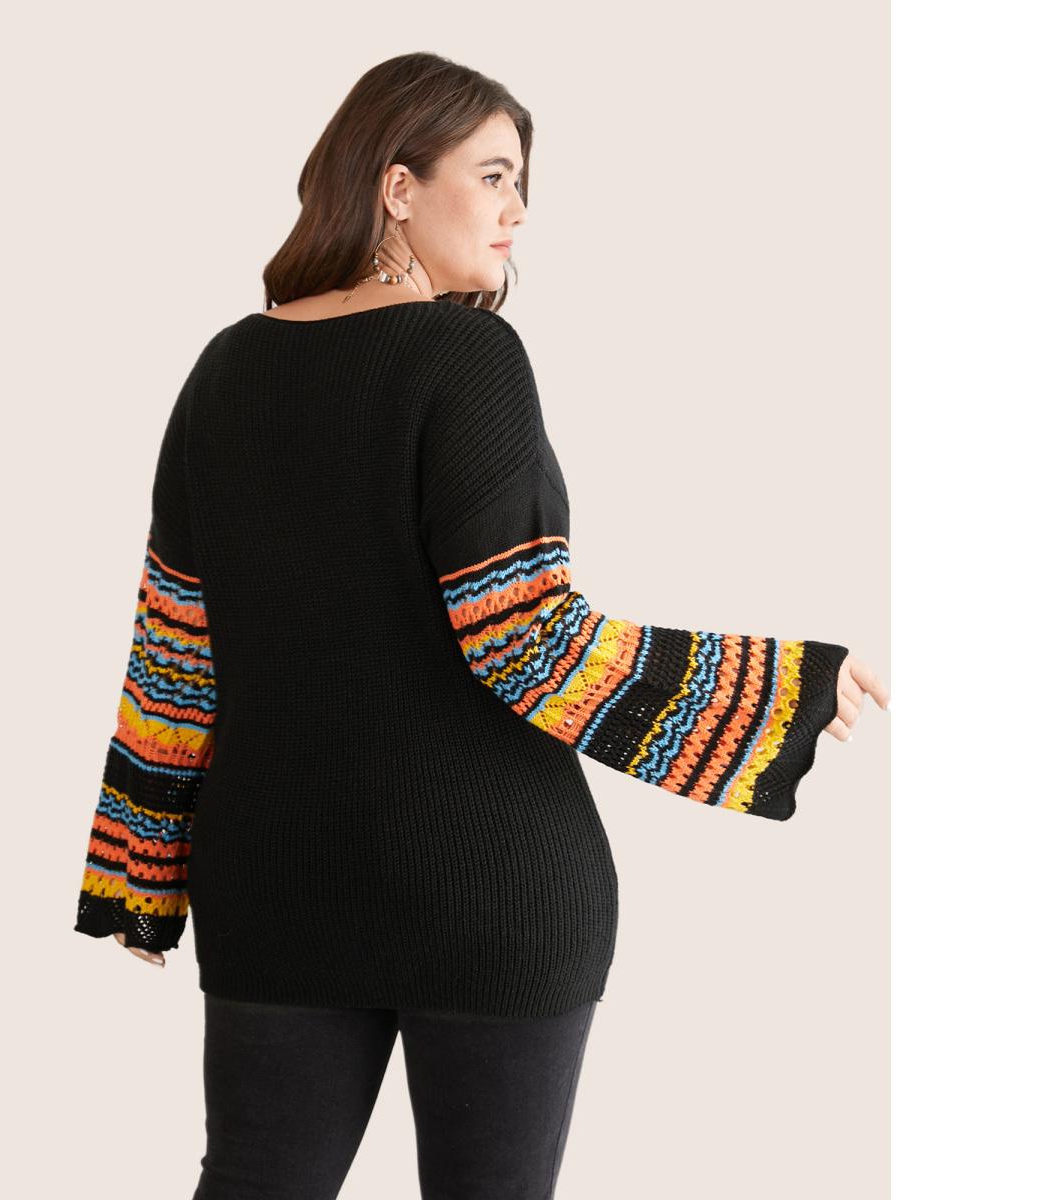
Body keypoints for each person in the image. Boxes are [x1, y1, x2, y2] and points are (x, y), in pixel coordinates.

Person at [73, 51, 890, 1200]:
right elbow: (526, 641)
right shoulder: (465, 356)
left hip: (277, 886)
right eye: (495, 175)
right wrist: (773, 687)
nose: (517, 211)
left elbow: (175, 658)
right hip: (488, 890)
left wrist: (142, 871)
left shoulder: (226, 369)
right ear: (398, 186)